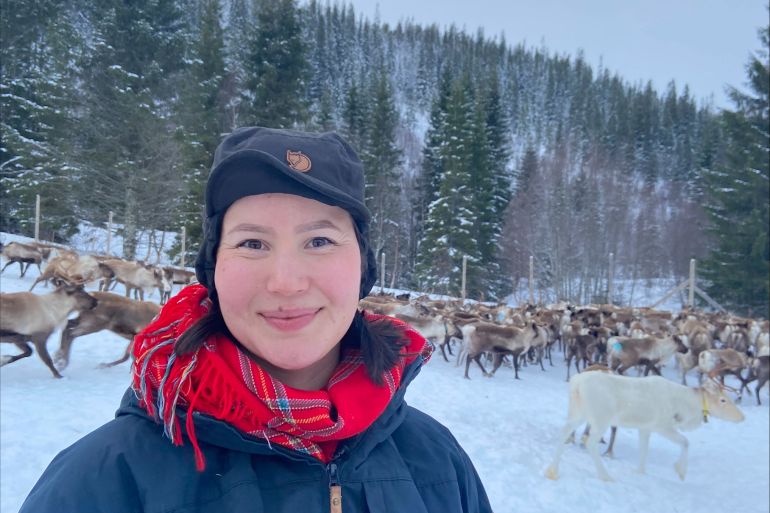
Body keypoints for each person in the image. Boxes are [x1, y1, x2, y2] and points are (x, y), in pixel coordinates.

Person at [20, 127, 492, 513]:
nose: (286, 282)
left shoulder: (439, 463)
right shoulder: (103, 483)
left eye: (320, 241)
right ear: (213, 270)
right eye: (251, 243)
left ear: (364, 267)